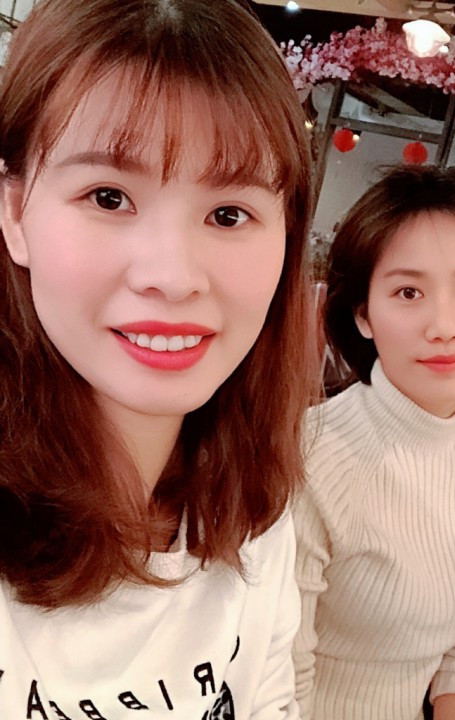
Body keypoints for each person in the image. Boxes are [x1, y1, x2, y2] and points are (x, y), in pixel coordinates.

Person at [0, 0, 315, 716]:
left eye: (228, 214)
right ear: (15, 212)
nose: (173, 276)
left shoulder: (250, 509)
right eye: (108, 197)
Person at [293, 163, 455, 720]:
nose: (444, 325)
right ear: (363, 314)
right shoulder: (307, 456)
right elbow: (280, 671)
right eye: (408, 291)